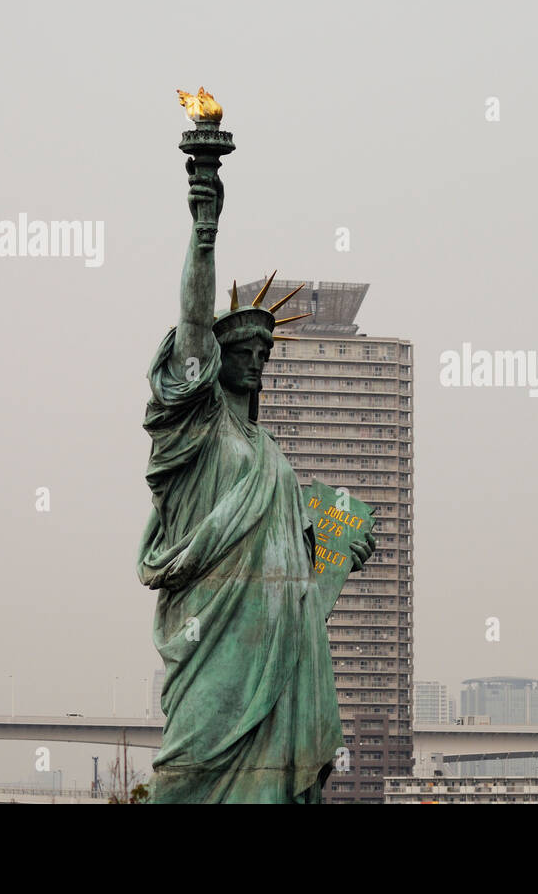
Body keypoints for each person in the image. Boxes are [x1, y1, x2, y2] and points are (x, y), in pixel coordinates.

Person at [135, 160, 374, 803]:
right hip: (215, 627)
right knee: (187, 768)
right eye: (245, 352)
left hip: (280, 630)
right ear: (215, 363)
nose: (257, 363)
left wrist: (345, 534)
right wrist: (204, 228)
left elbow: (309, 535)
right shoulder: (204, 428)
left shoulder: (269, 451)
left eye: (264, 355)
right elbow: (191, 324)